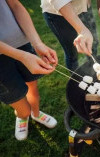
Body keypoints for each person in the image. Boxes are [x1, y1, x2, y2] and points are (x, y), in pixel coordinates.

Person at [0, 0, 58, 141]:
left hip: (21, 42)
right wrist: (23, 57)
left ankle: (36, 114)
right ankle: (22, 116)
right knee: (20, 103)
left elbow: (15, 5)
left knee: (33, 88)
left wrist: (37, 43)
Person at [41, 0, 99, 71]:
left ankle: (94, 71)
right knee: (71, 53)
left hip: (83, 5)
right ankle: (78, 79)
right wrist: (82, 30)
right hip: (59, 12)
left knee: (92, 45)